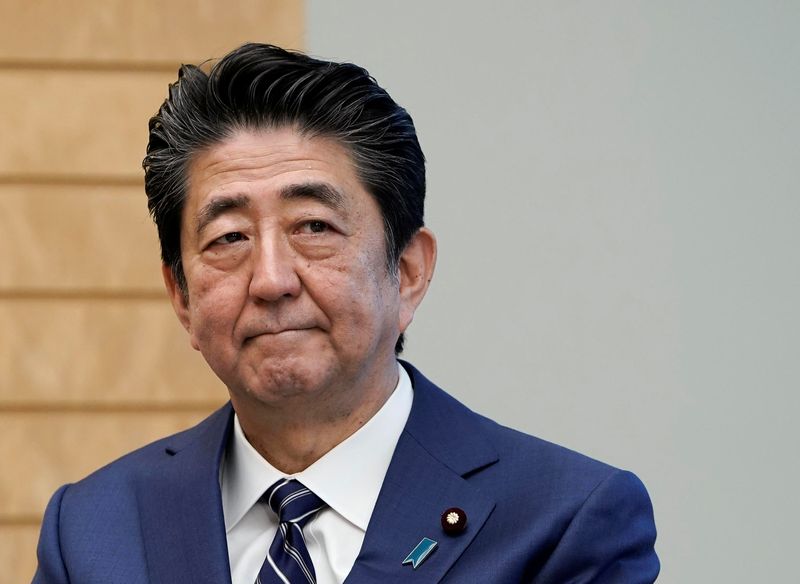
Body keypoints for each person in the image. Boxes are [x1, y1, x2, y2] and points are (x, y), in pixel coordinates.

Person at [33, 43, 659, 583]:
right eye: (229, 238)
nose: (271, 280)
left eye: (313, 226)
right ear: (182, 297)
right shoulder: (93, 529)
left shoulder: (563, 522)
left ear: (408, 272)